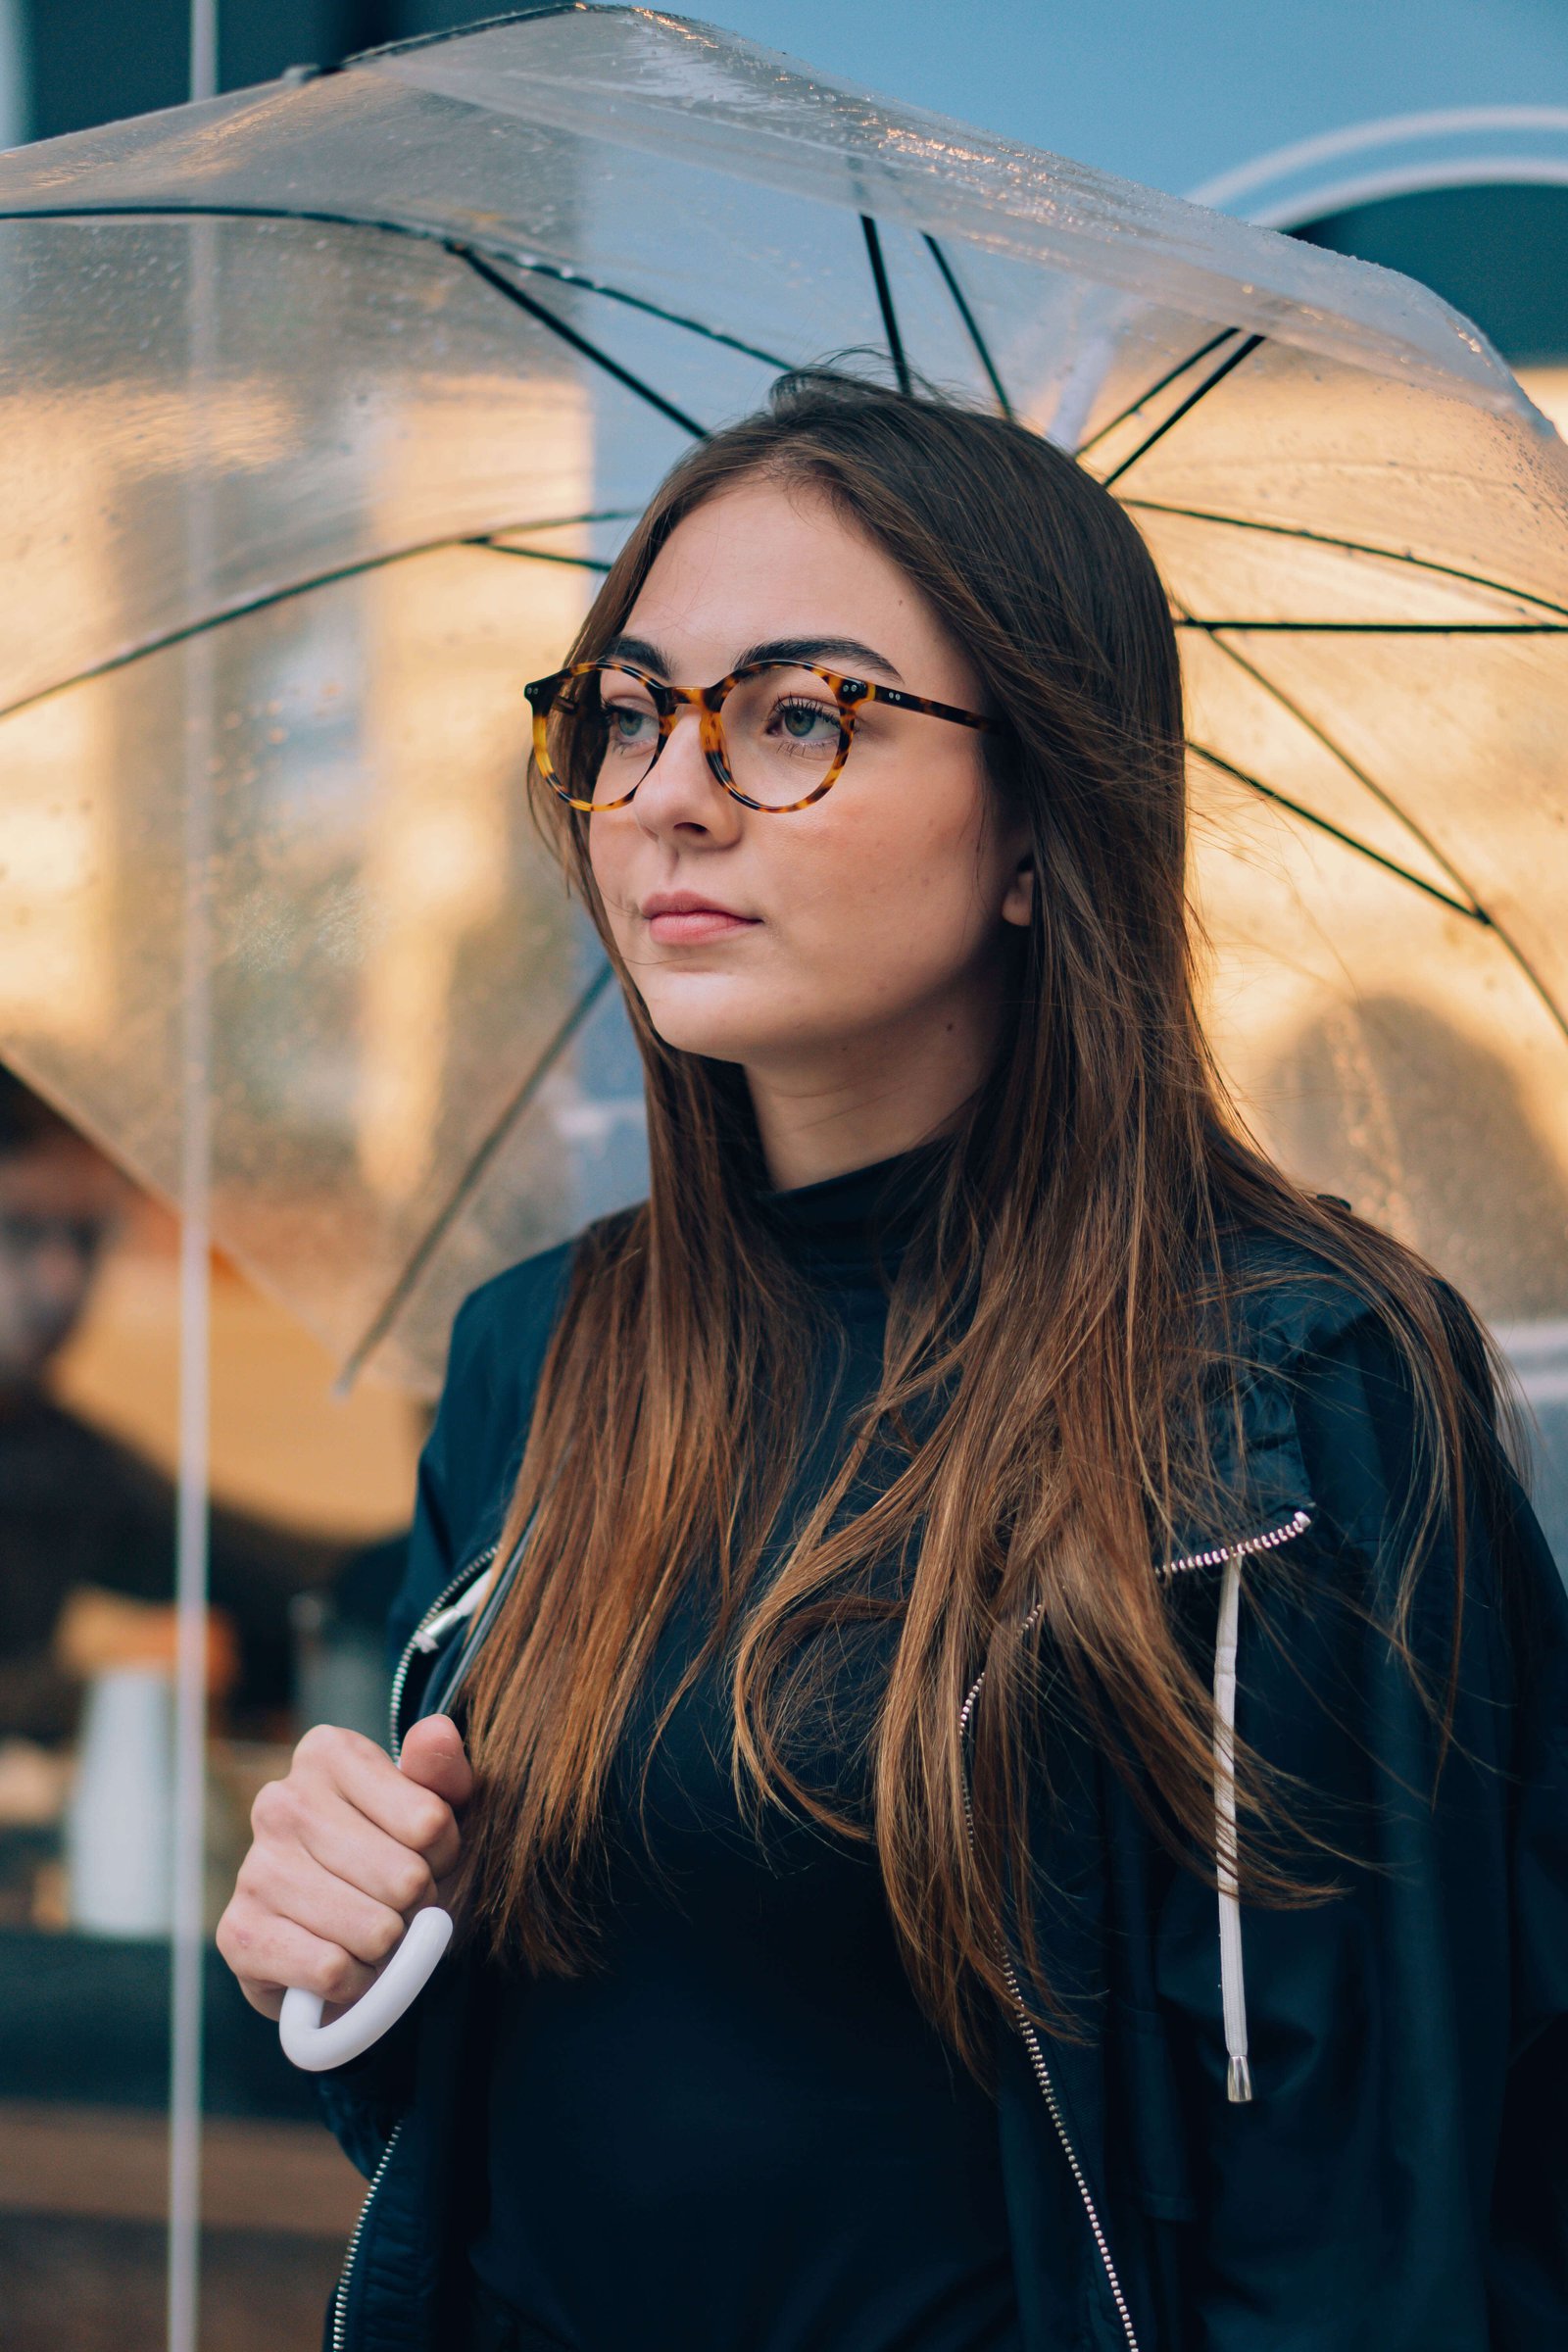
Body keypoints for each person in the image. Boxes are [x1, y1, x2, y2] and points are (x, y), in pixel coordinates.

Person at [217, 372, 1568, 2352]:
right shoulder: (545, 1356)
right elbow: (532, 2116)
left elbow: (1386, 2215)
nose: (665, 792)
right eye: (621, 712)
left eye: (795, 716)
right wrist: (354, 1952)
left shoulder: (1291, 1393)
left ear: (1036, 823)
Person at [0, 1069, 338, 1741]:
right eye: (21, 1231)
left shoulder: (54, 1457)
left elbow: (266, 1576)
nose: (62, 1279)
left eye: (87, 1237)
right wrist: (99, 1678)